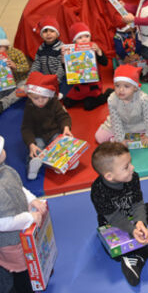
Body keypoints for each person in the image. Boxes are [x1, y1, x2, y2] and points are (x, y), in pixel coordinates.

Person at [90, 142, 148, 286]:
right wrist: (132, 230)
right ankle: (134, 255)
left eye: (130, 163)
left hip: (133, 215)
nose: (132, 168)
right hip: (112, 222)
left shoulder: (132, 177)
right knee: (115, 253)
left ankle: (139, 257)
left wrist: (140, 222)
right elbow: (113, 217)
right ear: (109, 176)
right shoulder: (98, 190)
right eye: (126, 167)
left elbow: (138, 203)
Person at [0, 135, 48, 293]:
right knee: (21, 270)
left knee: (31, 258)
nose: (4, 151)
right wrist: (29, 218)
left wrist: (33, 200)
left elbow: (19, 188)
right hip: (11, 242)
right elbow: (3, 223)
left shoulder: (6, 170)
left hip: (23, 229)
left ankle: (38, 272)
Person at [95, 65, 148, 146]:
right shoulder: (112, 99)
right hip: (123, 124)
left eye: (126, 86)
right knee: (99, 138)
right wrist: (120, 139)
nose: (121, 90)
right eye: (117, 85)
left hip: (141, 122)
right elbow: (116, 120)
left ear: (135, 87)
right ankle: (125, 134)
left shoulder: (143, 99)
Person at [21, 72, 72, 180]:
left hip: (54, 132)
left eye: (44, 97)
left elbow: (63, 116)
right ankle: (32, 166)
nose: (40, 101)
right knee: (37, 149)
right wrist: (31, 143)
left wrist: (66, 128)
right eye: (36, 98)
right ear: (29, 96)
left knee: (60, 143)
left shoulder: (54, 102)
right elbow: (26, 128)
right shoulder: (29, 107)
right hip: (38, 135)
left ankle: (64, 161)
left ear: (49, 94)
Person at [62, 22, 113, 110]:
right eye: (80, 37)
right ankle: (82, 98)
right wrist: (64, 59)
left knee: (88, 106)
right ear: (74, 40)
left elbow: (105, 63)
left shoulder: (93, 48)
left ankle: (107, 94)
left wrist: (99, 51)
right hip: (78, 87)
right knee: (66, 102)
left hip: (93, 87)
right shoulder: (71, 51)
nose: (84, 40)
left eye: (87, 36)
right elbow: (67, 71)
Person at [29, 16, 69, 96]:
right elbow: (37, 63)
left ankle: (60, 94)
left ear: (57, 33)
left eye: (52, 31)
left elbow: (61, 67)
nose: (48, 34)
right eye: (45, 31)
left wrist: (55, 80)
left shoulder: (62, 48)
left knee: (66, 86)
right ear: (41, 34)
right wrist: (32, 76)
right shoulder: (41, 48)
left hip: (60, 78)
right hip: (46, 78)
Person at [0, 26, 29, 114]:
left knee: (26, 85)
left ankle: (3, 103)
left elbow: (26, 67)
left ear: (6, 45)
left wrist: (15, 66)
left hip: (19, 82)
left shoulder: (16, 53)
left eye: (0, 47)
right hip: (5, 85)